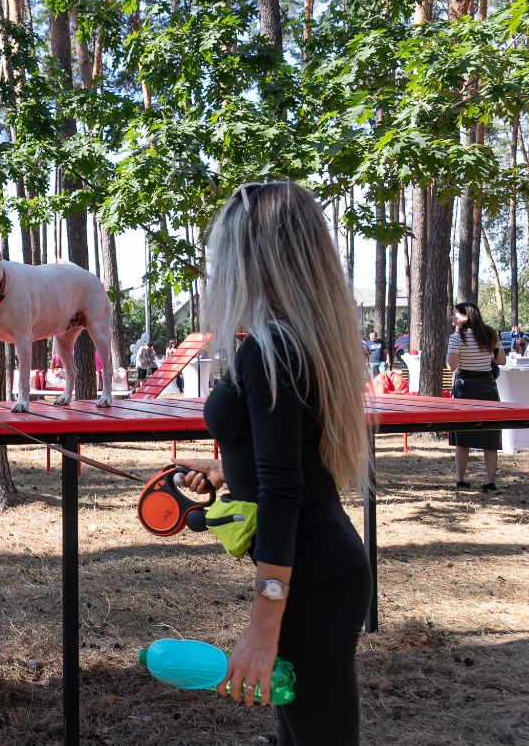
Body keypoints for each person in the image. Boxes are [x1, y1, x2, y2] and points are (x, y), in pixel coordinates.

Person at [178, 181, 371, 746]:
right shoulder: (296, 338)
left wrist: (262, 630)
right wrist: (226, 471)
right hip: (320, 571)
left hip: (312, 583)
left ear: (257, 257)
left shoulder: (269, 349)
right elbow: (290, 458)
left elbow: (285, 494)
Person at [447, 302, 505, 492]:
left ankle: (461, 479)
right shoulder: (490, 335)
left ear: (467, 317)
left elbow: (451, 366)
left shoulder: (457, 337)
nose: (453, 317)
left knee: (462, 435)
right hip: (488, 387)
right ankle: (490, 481)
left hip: (465, 388)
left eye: (456, 314)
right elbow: (501, 360)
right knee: (490, 435)